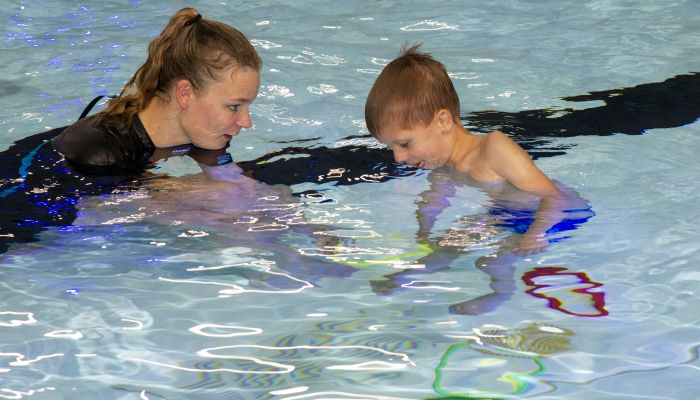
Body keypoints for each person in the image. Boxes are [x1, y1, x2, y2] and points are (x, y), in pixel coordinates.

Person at [365, 44, 570, 255]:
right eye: (391, 147)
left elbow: (554, 198)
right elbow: (434, 201)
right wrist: (423, 233)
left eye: (405, 144)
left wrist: (537, 233)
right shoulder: (443, 166)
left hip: (555, 215)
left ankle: (403, 280)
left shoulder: (493, 148)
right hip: (507, 215)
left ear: (442, 121)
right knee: (454, 247)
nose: (397, 158)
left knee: (476, 256)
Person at [52, 7, 261, 176]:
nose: (246, 122)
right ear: (185, 93)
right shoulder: (97, 152)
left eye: (246, 106)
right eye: (234, 106)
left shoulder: (208, 133)